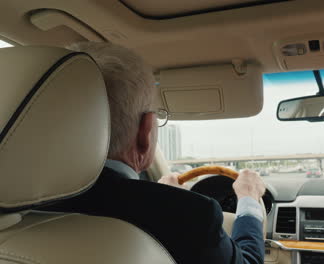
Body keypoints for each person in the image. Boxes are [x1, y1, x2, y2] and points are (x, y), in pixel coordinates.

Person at [40, 42, 266, 264]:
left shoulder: (14, 206)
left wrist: (162, 195)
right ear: (145, 133)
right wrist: (248, 199)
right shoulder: (188, 215)